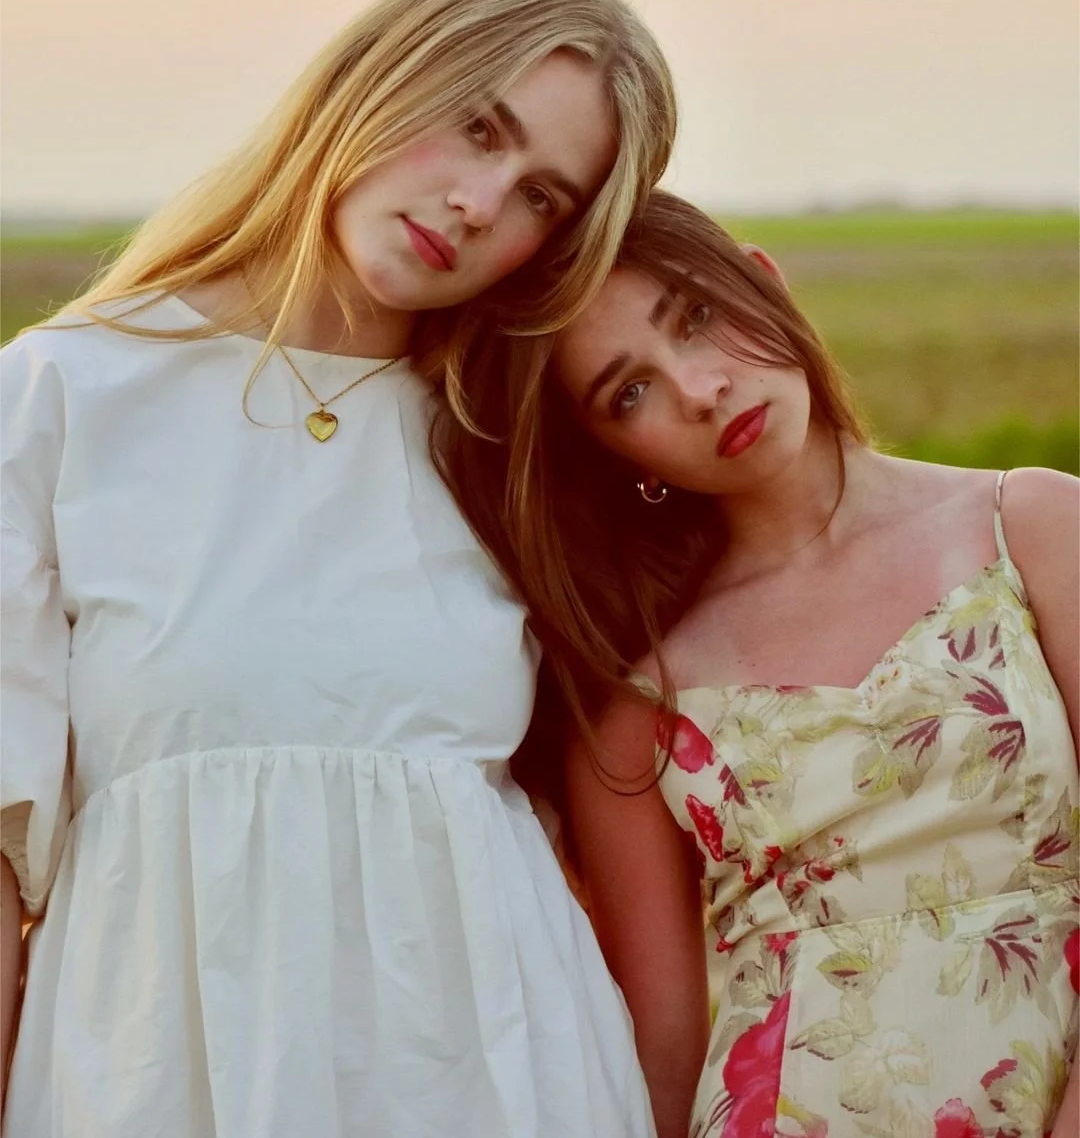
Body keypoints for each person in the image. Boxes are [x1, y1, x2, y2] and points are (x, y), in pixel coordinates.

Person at [0, 0, 678, 1137]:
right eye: (477, 128)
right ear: (379, 73)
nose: (482, 204)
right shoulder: (65, 393)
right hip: (160, 1079)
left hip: (506, 1085)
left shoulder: (516, 444)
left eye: (541, 197)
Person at [433, 190, 1079, 1138]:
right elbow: (661, 1056)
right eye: (631, 391)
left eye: (695, 315)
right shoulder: (638, 693)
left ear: (763, 282)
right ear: (613, 452)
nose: (699, 388)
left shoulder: (1030, 528)